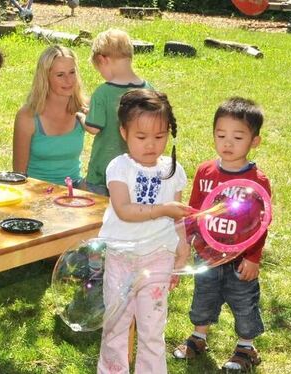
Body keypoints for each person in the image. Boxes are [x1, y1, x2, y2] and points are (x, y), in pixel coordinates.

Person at [96, 89, 192, 373]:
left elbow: (178, 218)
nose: (151, 145)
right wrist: (163, 209)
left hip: (158, 257)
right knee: (115, 326)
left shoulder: (174, 171)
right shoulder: (119, 168)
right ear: (123, 132)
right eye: (141, 137)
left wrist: (182, 248)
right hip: (120, 256)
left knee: (152, 329)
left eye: (160, 136)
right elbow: (124, 209)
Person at [173, 97, 271, 372]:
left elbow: (261, 224)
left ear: (254, 141)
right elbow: (195, 210)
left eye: (238, 137)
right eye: (221, 135)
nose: (227, 143)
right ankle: (199, 336)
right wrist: (192, 240)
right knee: (204, 296)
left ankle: (246, 346)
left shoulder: (257, 181)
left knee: (243, 302)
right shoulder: (206, 171)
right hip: (207, 252)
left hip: (239, 258)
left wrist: (253, 258)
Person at [84, 29, 153, 196]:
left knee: (99, 218)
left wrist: (81, 116)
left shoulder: (103, 92)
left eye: (99, 69)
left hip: (103, 173)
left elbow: (94, 128)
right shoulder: (148, 89)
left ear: (102, 59)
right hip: (136, 171)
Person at [12, 45, 88, 186]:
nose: (69, 80)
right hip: (36, 193)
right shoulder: (27, 117)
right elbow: (18, 175)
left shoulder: (84, 109)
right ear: (45, 78)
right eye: (60, 75)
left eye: (72, 72)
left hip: (74, 193)